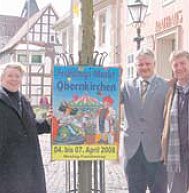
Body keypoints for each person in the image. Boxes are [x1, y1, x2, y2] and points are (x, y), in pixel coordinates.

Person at [121, 48, 168, 193]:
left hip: (156, 150)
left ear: (154, 64)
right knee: (134, 190)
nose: (144, 67)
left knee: (158, 190)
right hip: (132, 150)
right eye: (140, 65)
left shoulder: (166, 86)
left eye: (148, 64)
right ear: (136, 66)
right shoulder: (127, 85)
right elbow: (110, 102)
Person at [0, 62, 51, 193]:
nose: (14, 79)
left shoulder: (24, 100)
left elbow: (31, 126)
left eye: (17, 76)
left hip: (27, 163)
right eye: (10, 75)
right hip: (6, 163)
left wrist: (48, 123)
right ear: (2, 78)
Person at [162, 50, 189, 193]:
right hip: (176, 153)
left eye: (183, 63)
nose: (179, 68)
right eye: (175, 65)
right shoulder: (168, 90)